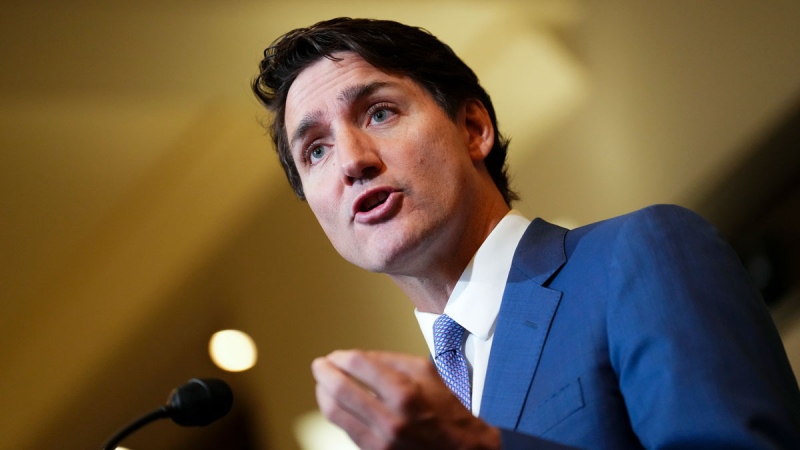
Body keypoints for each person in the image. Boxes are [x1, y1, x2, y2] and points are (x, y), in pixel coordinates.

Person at [252, 17, 800, 449]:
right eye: (315, 150)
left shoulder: (638, 255)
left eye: (379, 113)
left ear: (474, 129)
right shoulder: (413, 414)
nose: (351, 161)